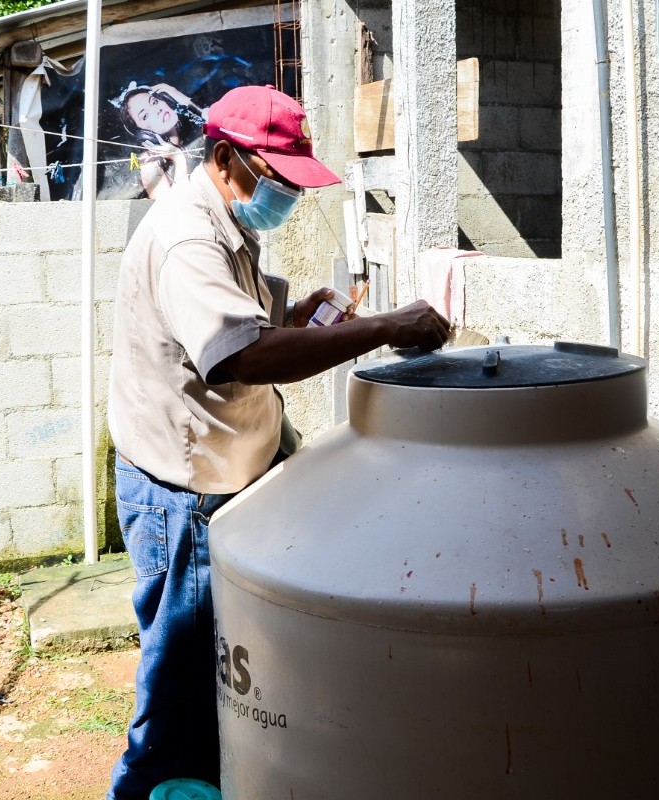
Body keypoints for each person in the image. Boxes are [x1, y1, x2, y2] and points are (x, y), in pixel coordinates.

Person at [104, 84, 450, 800]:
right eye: (279, 179)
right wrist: (383, 328)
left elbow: (246, 329)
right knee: (180, 699)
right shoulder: (187, 237)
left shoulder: (226, 222)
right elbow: (239, 358)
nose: (287, 195)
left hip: (224, 474)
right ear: (227, 158)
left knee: (223, 689)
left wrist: (299, 317)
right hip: (185, 494)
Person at [109, 81, 207, 199]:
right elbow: (175, 209)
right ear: (143, 134)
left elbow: (225, 127)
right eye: (145, 115)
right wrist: (178, 157)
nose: (157, 110)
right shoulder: (150, 165)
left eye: (154, 102)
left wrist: (186, 100)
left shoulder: (195, 129)